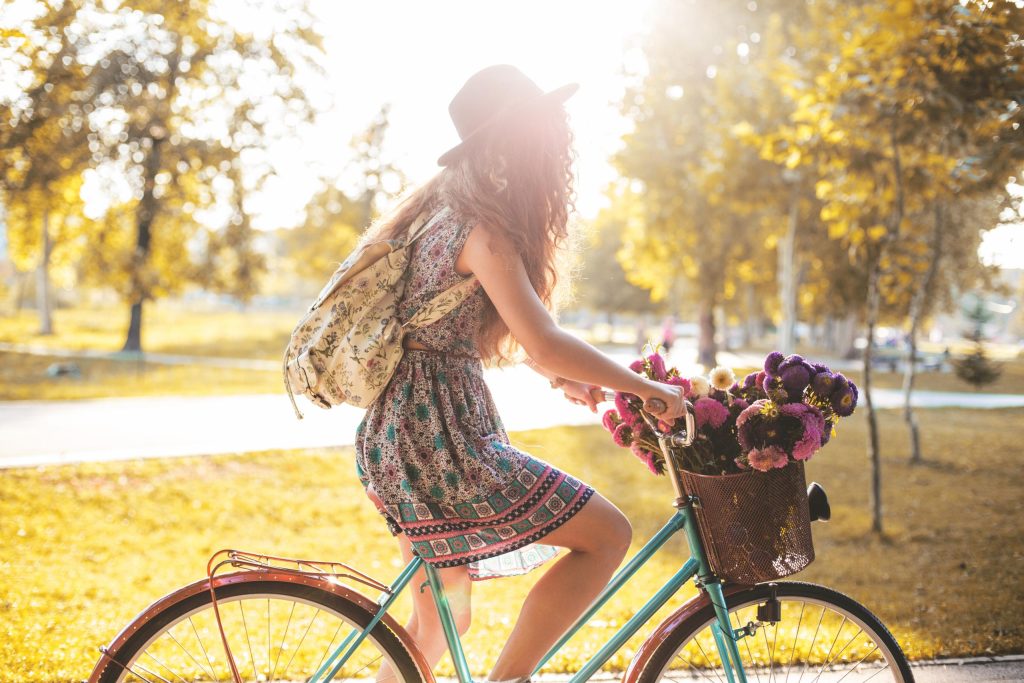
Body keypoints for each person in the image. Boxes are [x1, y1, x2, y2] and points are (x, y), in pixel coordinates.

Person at [353, 64, 688, 683]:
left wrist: (558, 375)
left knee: (439, 626)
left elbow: (468, 327)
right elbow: (545, 337)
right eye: (543, 127)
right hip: (439, 442)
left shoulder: (441, 214)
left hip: (402, 433)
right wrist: (644, 389)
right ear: (510, 141)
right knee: (607, 535)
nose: (557, 140)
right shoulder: (485, 229)